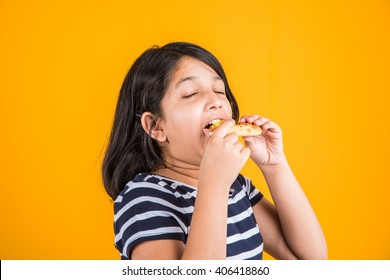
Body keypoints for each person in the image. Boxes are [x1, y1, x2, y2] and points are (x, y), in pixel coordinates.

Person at [102, 42, 327, 260]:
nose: (216, 101)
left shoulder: (236, 188)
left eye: (220, 90)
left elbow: (311, 260)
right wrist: (215, 185)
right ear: (156, 127)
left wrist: (275, 166)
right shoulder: (143, 198)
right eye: (190, 94)